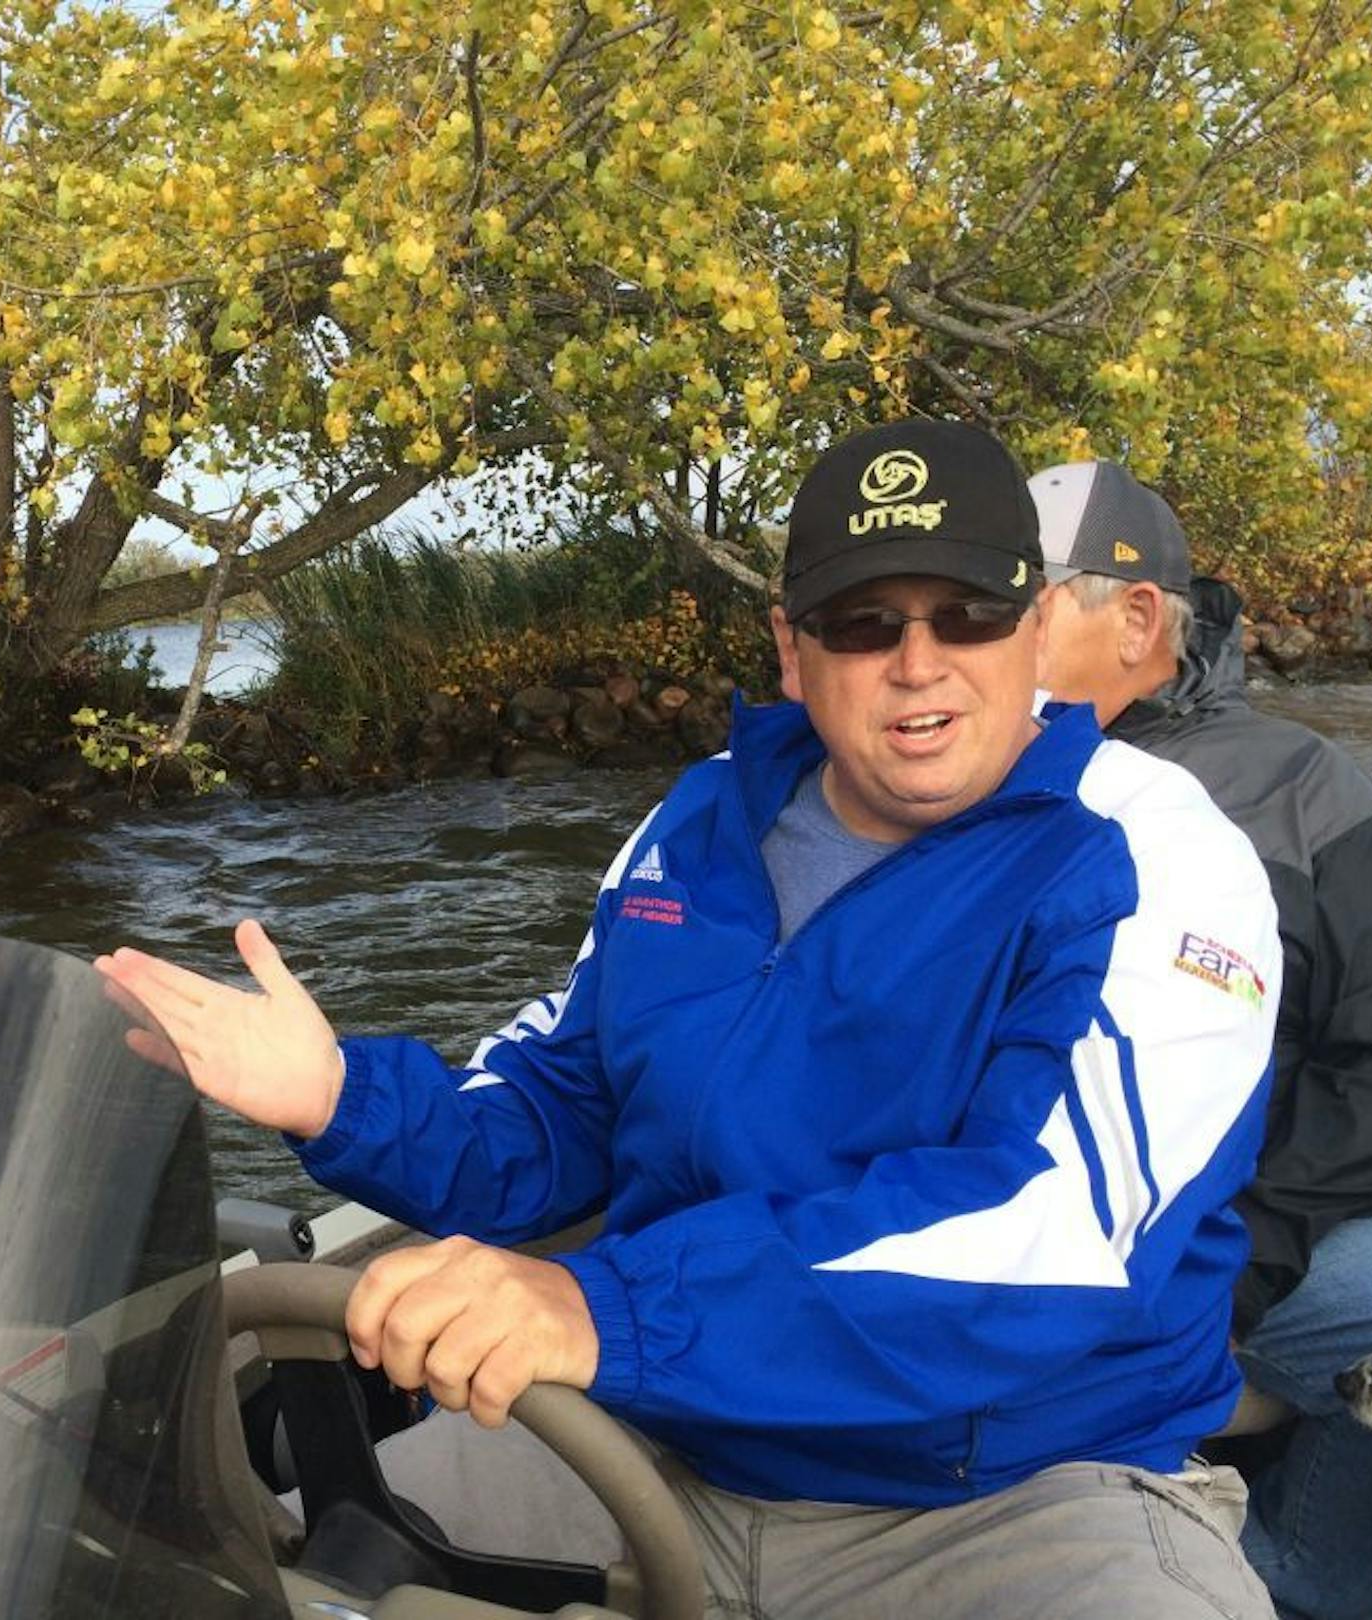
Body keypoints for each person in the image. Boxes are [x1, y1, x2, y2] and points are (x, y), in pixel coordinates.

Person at [101, 419, 1285, 1619]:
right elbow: (562, 1110)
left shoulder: (1156, 853)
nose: (918, 662)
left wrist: (597, 1310)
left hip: (1021, 1496)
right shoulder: (696, 826)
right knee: (241, 1576)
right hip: (671, 1441)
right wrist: (338, 1099)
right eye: (865, 623)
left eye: (967, 615)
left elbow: (1056, 1233)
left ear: (1033, 630)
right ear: (792, 650)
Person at [1030, 458, 1372, 1620]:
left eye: (1015, 599)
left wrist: (1254, 1238)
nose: (968, 635)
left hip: (1266, 1217)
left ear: (1132, 619)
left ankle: (1296, 1583)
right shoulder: (948, 774)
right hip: (1027, 1210)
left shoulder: (1306, 790)